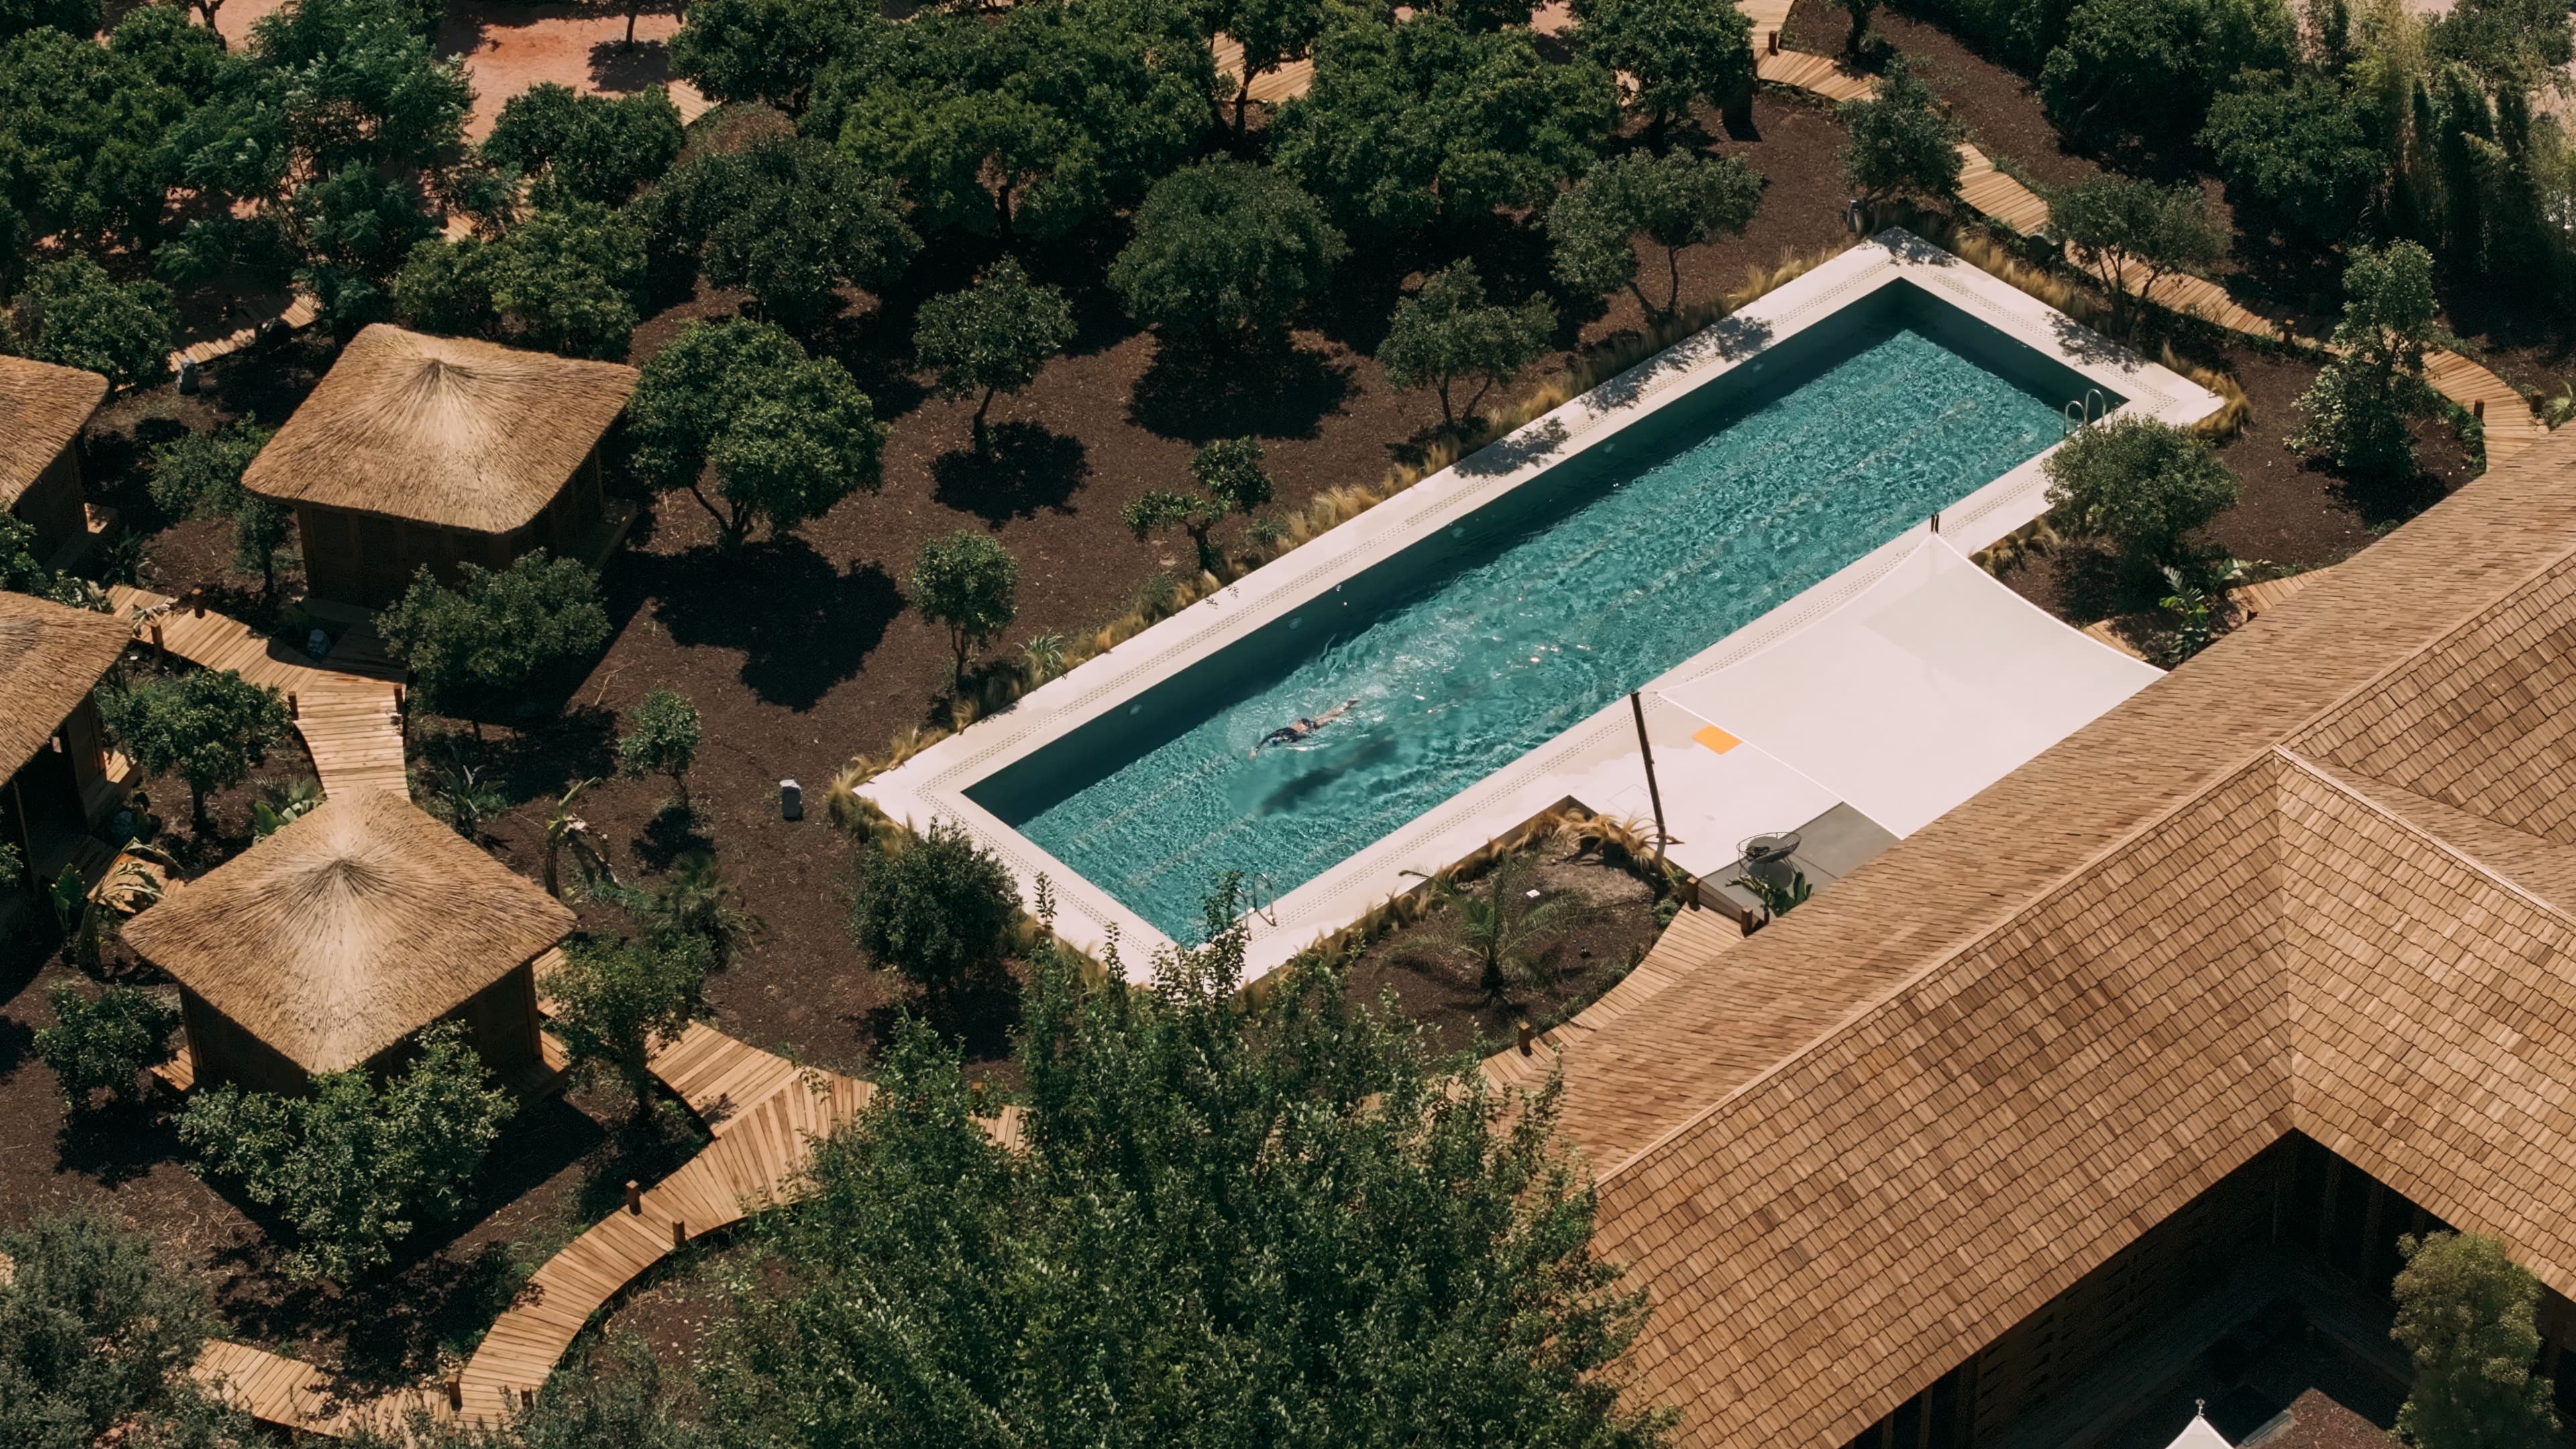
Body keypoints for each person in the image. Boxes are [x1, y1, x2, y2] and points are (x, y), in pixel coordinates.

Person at [1252, 698, 1358, 757]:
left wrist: (1309, 737)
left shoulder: (1290, 739)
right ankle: (1347, 705)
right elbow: (1264, 740)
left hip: (1308, 727)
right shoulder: (1276, 734)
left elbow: (1303, 736)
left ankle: (1348, 707)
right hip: (1302, 722)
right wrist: (1255, 751)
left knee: (1331, 718)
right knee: (1326, 715)